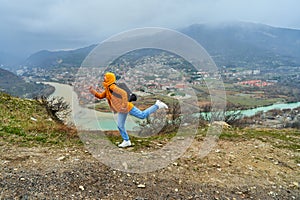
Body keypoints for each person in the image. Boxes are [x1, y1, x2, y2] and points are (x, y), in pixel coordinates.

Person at [89, 72, 168, 148]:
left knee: (142, 115)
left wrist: (124, 105)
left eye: (105, 76)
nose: (104, 77)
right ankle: (126, 141)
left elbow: (123, 93)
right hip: (122, 110)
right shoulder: (107, 88)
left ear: (109, 78)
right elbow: (100, 96)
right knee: (120, 125)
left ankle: (157, 105)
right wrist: (92, 91)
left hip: (126, 107)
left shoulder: (112, 87)